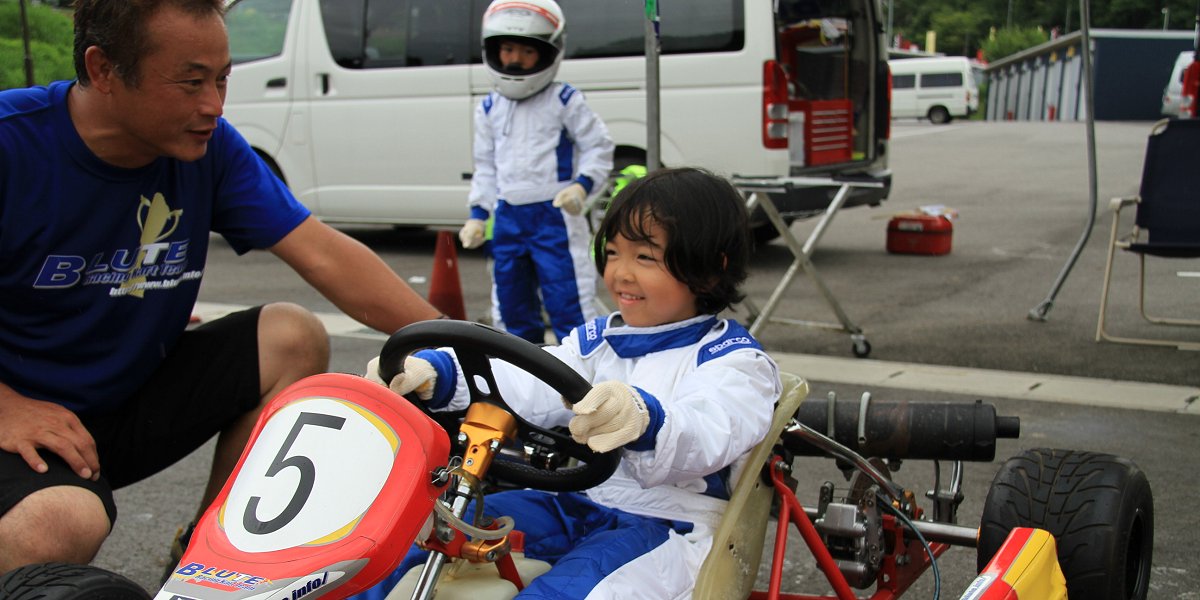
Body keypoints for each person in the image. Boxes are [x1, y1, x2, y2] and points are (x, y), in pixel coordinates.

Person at [0, 0, 444, 576]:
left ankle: (204, 563)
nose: (213, 104)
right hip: (21, 420)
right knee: (62, 523)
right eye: (190, 83)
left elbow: (324, 254)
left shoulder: (209, 149)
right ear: (104, 69)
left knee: (292, 335)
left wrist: (459, 342)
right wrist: (6, 407)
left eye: (222, 78)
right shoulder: (14, 145)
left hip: (118, 407)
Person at [357, 167, 782, 599]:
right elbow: (527, 379)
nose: (620, 274)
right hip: (579, 503)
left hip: (669, 526)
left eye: (644, 258)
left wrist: (645, 420)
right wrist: (440, 374)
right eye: (613, 253)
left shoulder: (735, 361)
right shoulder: (600, 342)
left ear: (711, 270)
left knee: (564, 593)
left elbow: (710, 430)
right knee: (420, 531)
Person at [461, 0, 615, 344]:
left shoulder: (564, 100)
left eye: (527, 51)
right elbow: (485, 166)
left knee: (570, 304)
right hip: (508, 218)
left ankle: (584, 383)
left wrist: (581, 187)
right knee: (511, 307)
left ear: (548, 52)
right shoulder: (488, 107)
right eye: (508, 49)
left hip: (555, 215)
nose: (515, 59)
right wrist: (476, 214)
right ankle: (519, 380)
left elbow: (599, 147)